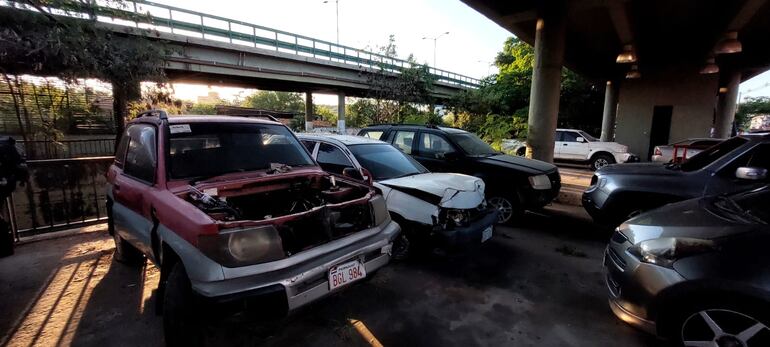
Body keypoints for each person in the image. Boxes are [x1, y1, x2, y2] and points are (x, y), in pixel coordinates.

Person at [0, 136, 28, 257]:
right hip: (6, 183)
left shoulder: (5, 147)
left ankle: (5, 247)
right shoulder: (8, 147)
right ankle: (6, 246)